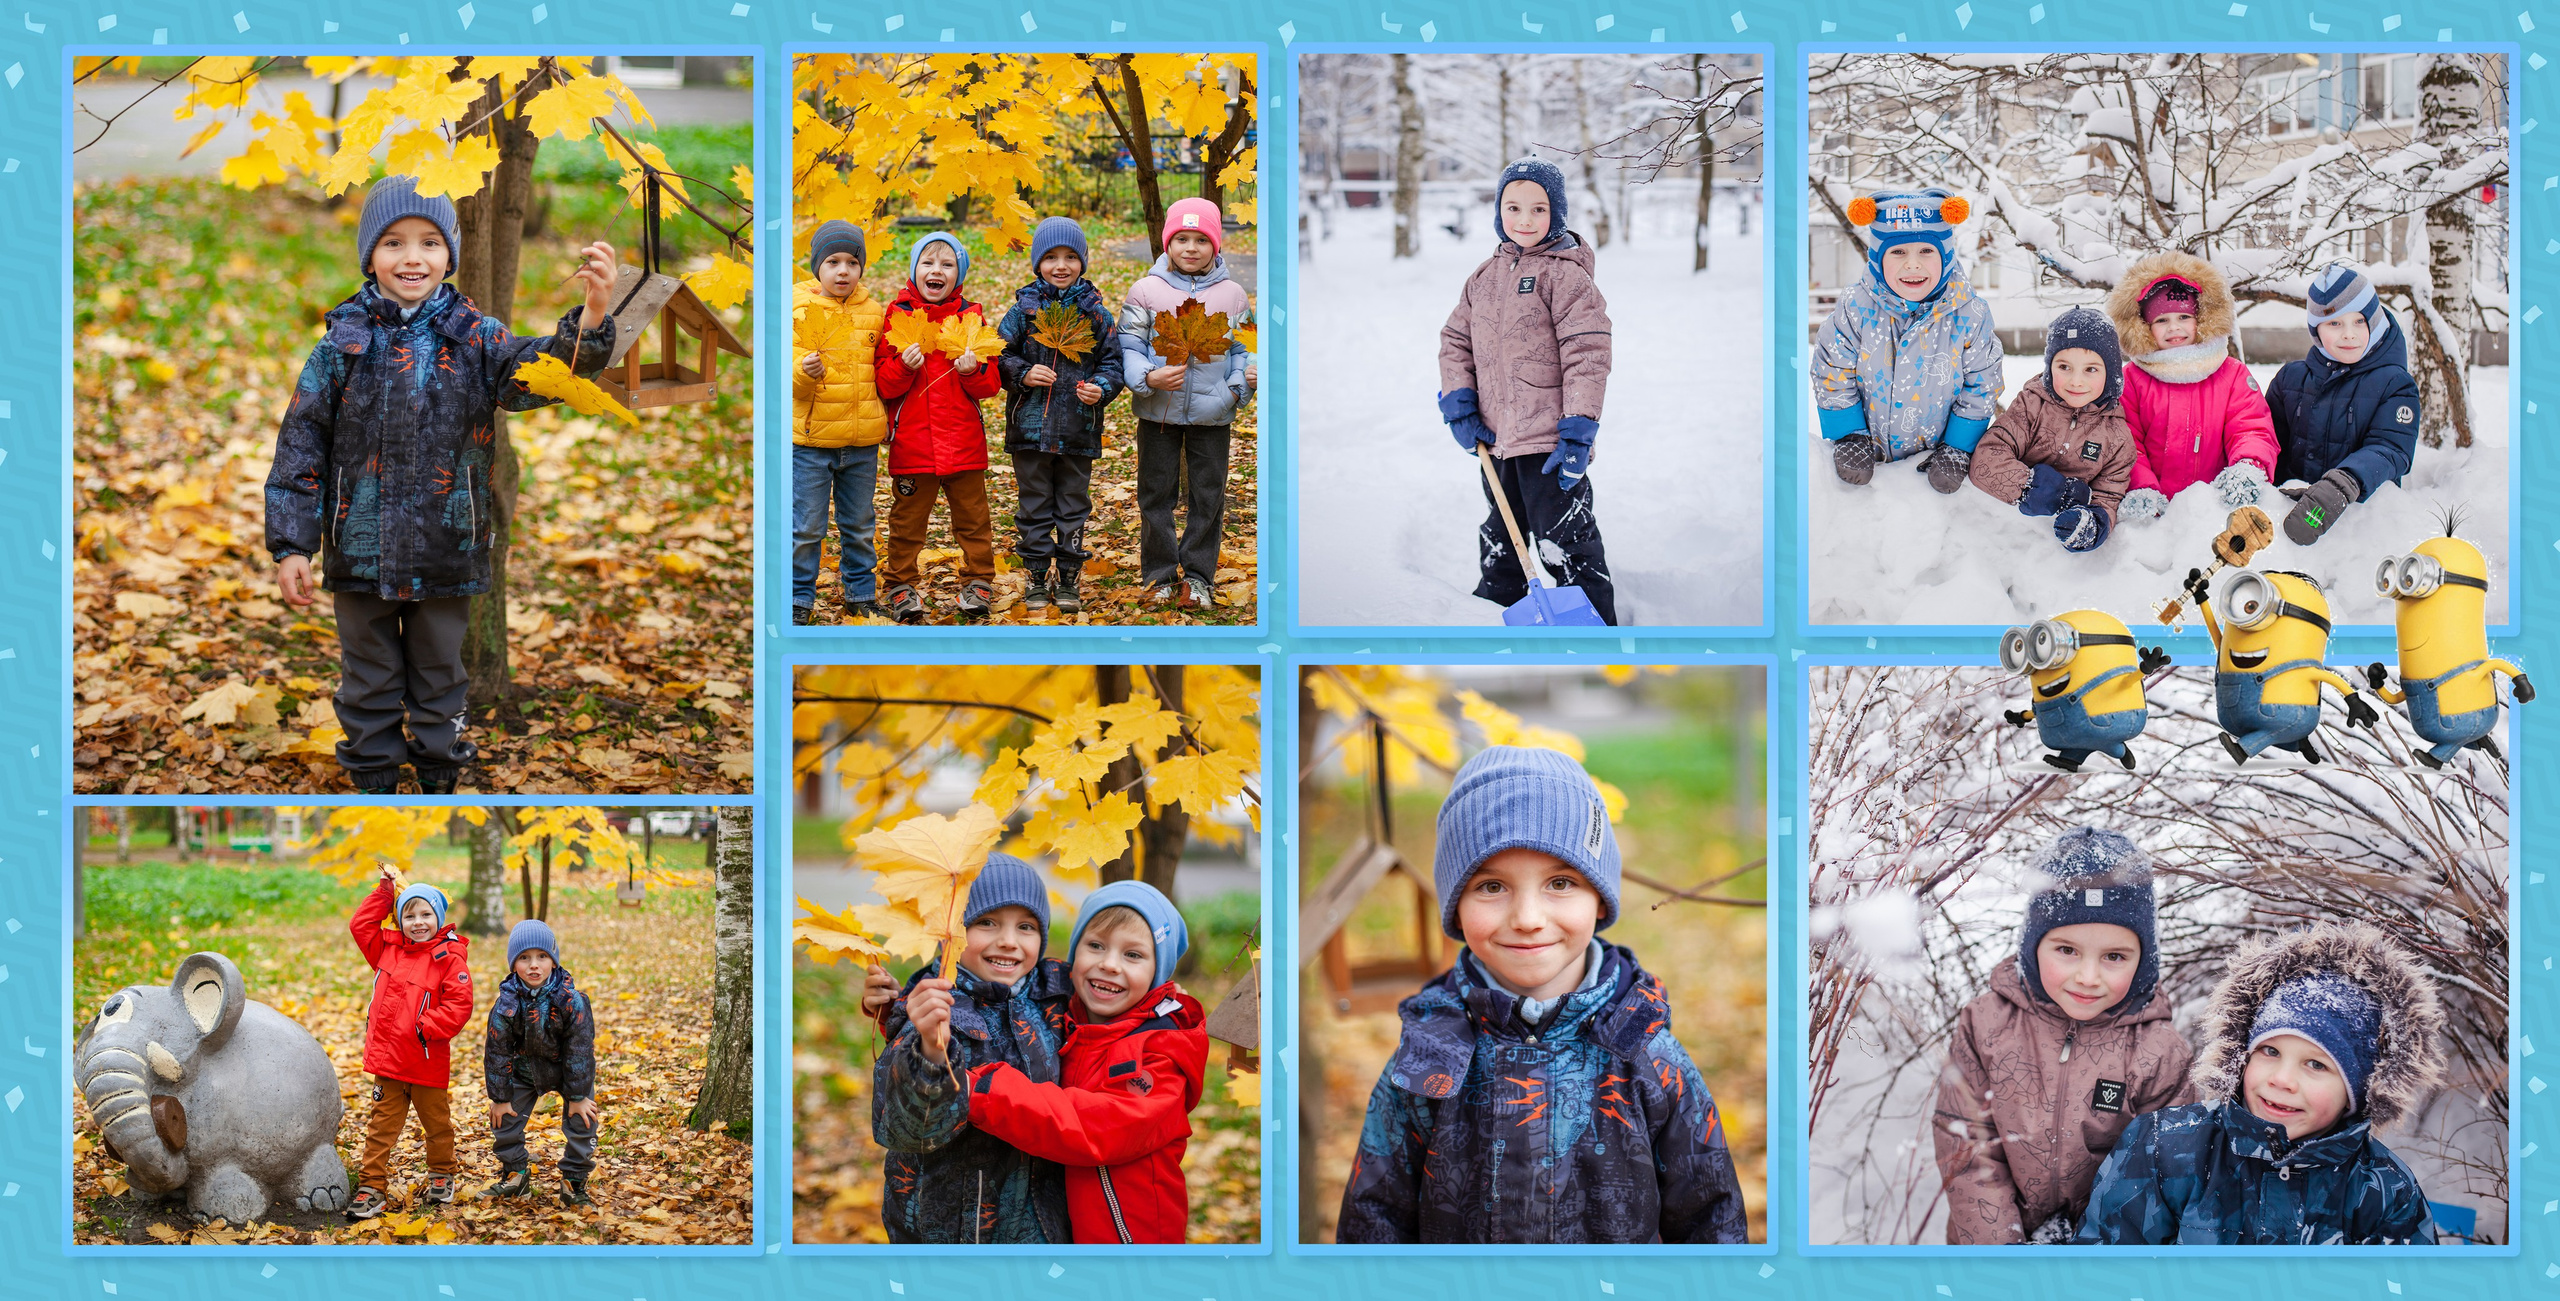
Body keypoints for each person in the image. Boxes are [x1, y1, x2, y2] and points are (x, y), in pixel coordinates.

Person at [265, 176, 618, 793]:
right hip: (360, 548)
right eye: (393, 243)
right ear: (369, 255)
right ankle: (374, 781)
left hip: (446, 549)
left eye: (429, 243)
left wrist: (591, 316)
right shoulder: (342, 344)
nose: (411, 258)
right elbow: (301, 443)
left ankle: (438, 780)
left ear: (449, 255)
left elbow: (541, 374)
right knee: (367, 677)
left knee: (439, 674)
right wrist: (292, 545)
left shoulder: (477, 338)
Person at [1336, 746, 1749, 1243]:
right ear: (1455, 906)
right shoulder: (1432, 1053)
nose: (1528, 918)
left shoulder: (1644, 1052)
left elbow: (1711, 1220)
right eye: (1492, 887)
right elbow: (1375, 1220)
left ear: (1599, 899)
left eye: (1560, 882)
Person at [2076, 922, 2442, 1245]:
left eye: (2316, 1064)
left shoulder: (2382, 1191)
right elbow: (2105, 1271)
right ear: (2242, 1053)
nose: (2281, 1079)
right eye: (2269, 1051)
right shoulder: (2167, 1149)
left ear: (2361, 1087)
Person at [1934, 828, 2194, 1243]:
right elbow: (1968, 1148)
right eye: (2067, 950)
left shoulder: (2159, 1053)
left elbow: (2158, 1175)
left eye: (2113, 956)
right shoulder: (1985, 1025)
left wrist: (2080, 1251)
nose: (2087, 977)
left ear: (2143, 960)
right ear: (2032, 946)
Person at [954, 881, 1207, 1244]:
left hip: (1130, 1243)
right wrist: (904, 1016)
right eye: (1095, 946)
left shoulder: (1161, 1051)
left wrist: (985, 1091)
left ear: (1157, 974)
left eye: (1133, 955)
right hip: (1070, 1232)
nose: (1109, 964)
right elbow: (990, 1019)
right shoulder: (1067, 1020)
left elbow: (1094, 1127)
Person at [1438, 158, 1619, 625]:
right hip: (1495, 441)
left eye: (1539, 210)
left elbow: (1587, 352)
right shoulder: (1484, 277)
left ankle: (1594, 626)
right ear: (1499, 212)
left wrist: (1578, 429)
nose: (1524, 220)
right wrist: (1459, 402)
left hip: (1550, 443)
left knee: (1566, 540)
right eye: (1513, 207)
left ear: (1557, 215)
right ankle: (1496, 613)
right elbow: (1456, 340)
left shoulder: (1566, 276)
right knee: (1501, 537)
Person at [865, 855, 1076, 1242]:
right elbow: (908, 1131)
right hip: (951, 1236)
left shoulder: (1055, 996)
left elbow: (1115, 991)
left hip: (1039, 1230)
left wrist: (1164, 1000)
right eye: (986, 922)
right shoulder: (932, 1008)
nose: (1009, 941)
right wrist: (930, 1049)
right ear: (951, 932)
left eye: (1026, 927)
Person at [1812, 189, 2003, 494]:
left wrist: (1958, 445)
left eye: (1926, 251)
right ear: (1877, 258)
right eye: (1898, 252)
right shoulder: (1856, 308)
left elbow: (1983, 383)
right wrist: (1850, 434)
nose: (1913, 265)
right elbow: (1832, 369)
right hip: (1872, 452)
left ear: (1946, 255)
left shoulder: (1970, 314)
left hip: (1934, 457)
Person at [1118, 197, 1259, 610]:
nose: (1191, 248)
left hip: (1213, 415)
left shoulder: (1233, 295)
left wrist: (1237, 388)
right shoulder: (1146, 290)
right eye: (1182, 238)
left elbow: (1245, 349)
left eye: (1201, 239)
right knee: (1156, 493)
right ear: (1168, 243)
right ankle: (1159, 575)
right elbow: (1129, 345)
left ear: (1216, 245)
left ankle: (1198, 577)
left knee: (1207, 496)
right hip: (1158, 411)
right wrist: (1146, 377)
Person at [997, 217, 1126, 615]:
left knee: (1072, 503)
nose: (1061, 265)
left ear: (1082, 262)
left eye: (1071, 256)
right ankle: (1036, 573)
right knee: (1034, 503)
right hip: (1030, 428)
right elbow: (999, 354)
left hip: (1077, 429)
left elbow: (1113, 363)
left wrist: (1100, 387)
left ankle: (1068, 575)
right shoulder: (1023, 310)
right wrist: (1022, 373)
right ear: (1037, 263)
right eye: (1051, 257)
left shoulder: (1097, 315)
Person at [874, 233, 1005, 622]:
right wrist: (904, 366)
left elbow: (990, 384)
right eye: (928, 263)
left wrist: (972, 372)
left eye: (947, 265)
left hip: (964, 442)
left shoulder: (970, 319)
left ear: (958, 275)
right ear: (914, 269)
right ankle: (900, 584)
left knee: (973, 519)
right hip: (913, 444)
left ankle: (978, 580)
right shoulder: (896, 317)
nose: (937, 270)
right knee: (907, 522)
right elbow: (884, 383)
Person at [2104, 252, 2279, 525]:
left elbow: (2251, 427)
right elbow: (2125, 441)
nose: (2174, 327)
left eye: (2184, 316)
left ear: (2202, 319)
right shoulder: (2133, 380)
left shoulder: (2231, 374)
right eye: (2161, 320)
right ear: (2145, 328)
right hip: (2155, 516)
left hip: (2215, 511)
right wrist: (2141, 485)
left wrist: (2248, 465)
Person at [345, 865, 474, 1219]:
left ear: (439, 917)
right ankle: (372, 1186)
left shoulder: (449, 958)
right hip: (389, 1063)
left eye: (426, 914)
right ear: (399, 920)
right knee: (380, 1126)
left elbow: (460, 1004)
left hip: (424, 1060)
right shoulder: (388, 951)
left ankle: (441, 1173)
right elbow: (361, 926)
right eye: (409, 915)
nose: (418, 922)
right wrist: (386, 891)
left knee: (436, 1124)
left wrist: (425, 1027)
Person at [2265, 262, 2423, 546]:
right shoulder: (2291, 379)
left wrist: (2344, 483)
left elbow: (2391, 450)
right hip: (2291, 517)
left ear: (2373, 322)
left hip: (2359, 527)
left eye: (2359, 321)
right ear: (2316, 330)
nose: (2348, 334)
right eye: (2334, 323)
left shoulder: (2394, 384)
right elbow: (2269, 440)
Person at [1968, 307, 2138, 553]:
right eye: (2064, 367)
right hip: (2002, 537)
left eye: (2090, 369)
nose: (2076, 381)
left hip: (2052, 555)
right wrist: (2046, 491)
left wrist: (2093, 524)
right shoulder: (2031, 405)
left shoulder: (2117, 437)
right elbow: (1987, 459)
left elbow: (2110, 496)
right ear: (2049, 368)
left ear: (2110, 374)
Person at [790, 219, 891, 623]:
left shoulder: (874, 313)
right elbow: (783, 376)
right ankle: (798, 597)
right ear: (818, 266)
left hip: (861, 440)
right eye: (832, 261)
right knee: (807, 527)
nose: (843, 270)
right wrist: (802, 371)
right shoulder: (799, 309)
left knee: (859, 524)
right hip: (811, 444)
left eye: (852, 261)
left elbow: (881, 371)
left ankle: (861, 593)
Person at [481, 919, 600, 1207]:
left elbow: (580, 1050)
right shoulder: (506, 1002)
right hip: (523, 1071)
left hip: (566, 1071)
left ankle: (574, 1180)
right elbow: (497, 1051)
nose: (534, 965)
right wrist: (500, 1097)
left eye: (542, 957)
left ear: (554, 962)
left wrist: (577, 1095)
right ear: (513, 965)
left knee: (583, 1119)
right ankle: (515, 1175)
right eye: (524, 958)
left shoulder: (572, 1000)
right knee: (504, 1119)